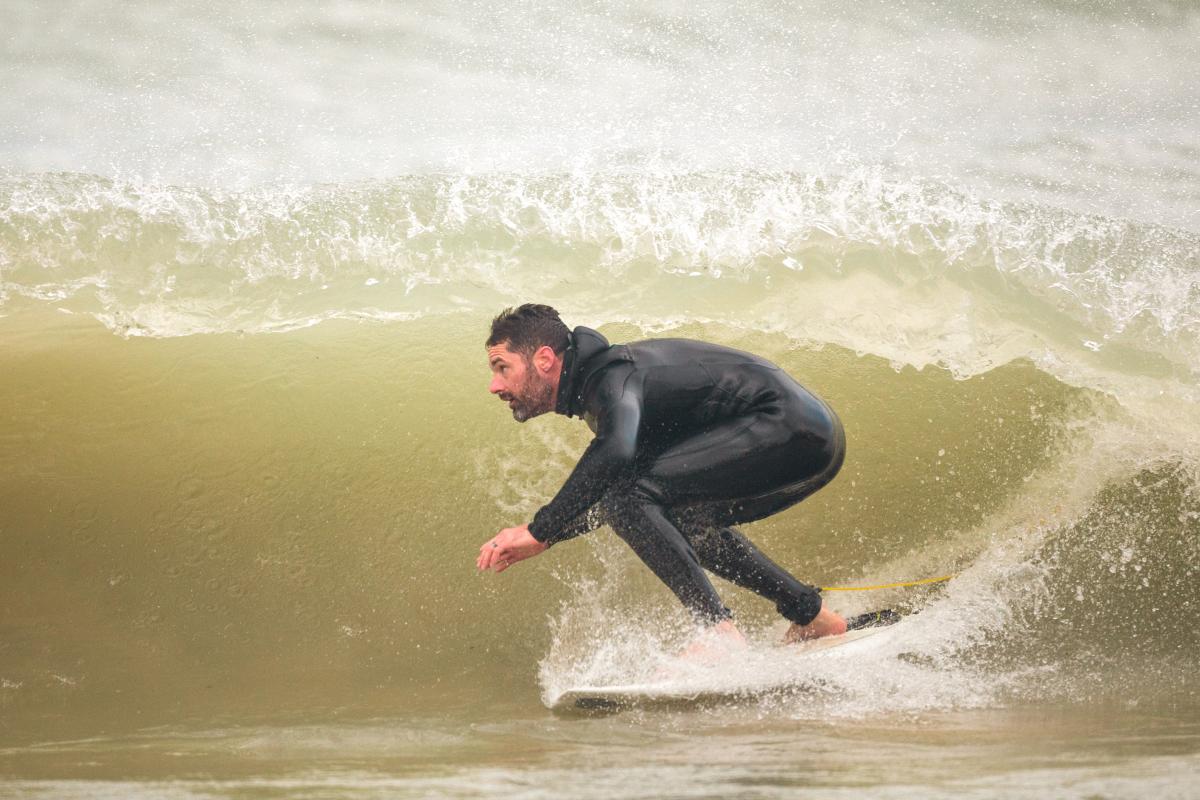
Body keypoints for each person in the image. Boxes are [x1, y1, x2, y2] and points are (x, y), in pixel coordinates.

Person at [476, 304, 848, 644]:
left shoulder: (611, 380)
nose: (494, 385)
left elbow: (615, 457)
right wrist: (545, 535)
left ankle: (716, 631)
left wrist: (540, 530)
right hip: (809, 437)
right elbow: (611, 491)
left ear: (543, 359)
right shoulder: (603, 388)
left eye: (502, 368)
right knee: (665, 513)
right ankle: (811, 617)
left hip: (789, 426)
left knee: (629, 498)